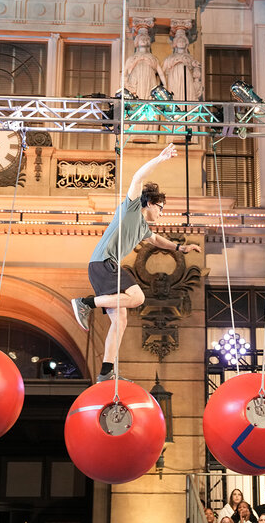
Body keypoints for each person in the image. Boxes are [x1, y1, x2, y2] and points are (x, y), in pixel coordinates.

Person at [71, 144, 199, 381]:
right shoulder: (131, 208)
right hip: (103, 264)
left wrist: (181, 247)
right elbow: (138, 176)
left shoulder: (142, 227)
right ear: (149, 203)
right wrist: (160, 158)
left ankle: (106, 373)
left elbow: (157, 240)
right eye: (160, 208)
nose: (161, 213)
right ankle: (86, 303)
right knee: (138, 297)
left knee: (120, 321)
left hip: (104, 266)